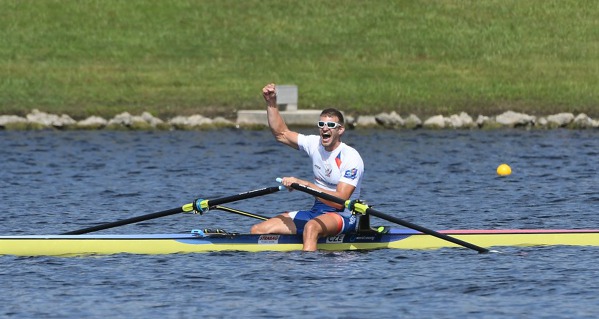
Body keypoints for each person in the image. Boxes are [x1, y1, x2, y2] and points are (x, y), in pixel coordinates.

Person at [250, 83, 364, 251]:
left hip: (344, 215)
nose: (325, 128)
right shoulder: (314, 144)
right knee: (258, 230)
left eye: (331, 125)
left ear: (340, 130)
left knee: (311, 227)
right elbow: (281, 134)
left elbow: (341, 201)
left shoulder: (351, 157)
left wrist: (303, 185)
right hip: (317, 211)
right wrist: (271, 102)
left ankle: (308, 272)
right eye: (321, 124)